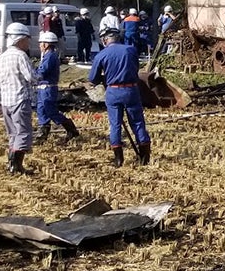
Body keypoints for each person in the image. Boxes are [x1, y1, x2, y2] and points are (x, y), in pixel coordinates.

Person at [89, 27, 151, 167]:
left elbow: (93, 79)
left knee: (115, 125)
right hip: (131, 89)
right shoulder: (131, 50)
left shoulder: (101, 55)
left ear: (105, 40)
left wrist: (104, 78)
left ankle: (118, 159)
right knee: (137, 122)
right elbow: (135, 68)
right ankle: (144, 157)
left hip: (113, 91)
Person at [0, 22, 36, 175]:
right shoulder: (20, 56)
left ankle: (11, 164)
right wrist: (40, 78)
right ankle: (16, 165)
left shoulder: (1, 58)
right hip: (20, 99)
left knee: (13, 133)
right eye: (27, 39)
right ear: (20, 39)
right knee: (23, 132)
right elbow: (31, 77)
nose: (28, 43)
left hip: (6, 101)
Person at [34, 32, 80, 144]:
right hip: (42, 88)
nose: (39, 45)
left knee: (50, 111)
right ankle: (42, 134)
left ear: (46, 44)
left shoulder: (50, 56)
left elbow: (42, 71)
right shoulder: (47, 55)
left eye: (41, 43)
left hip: (47, 88)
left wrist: (32, 75)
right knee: (41, 110)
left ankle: (71, 129)